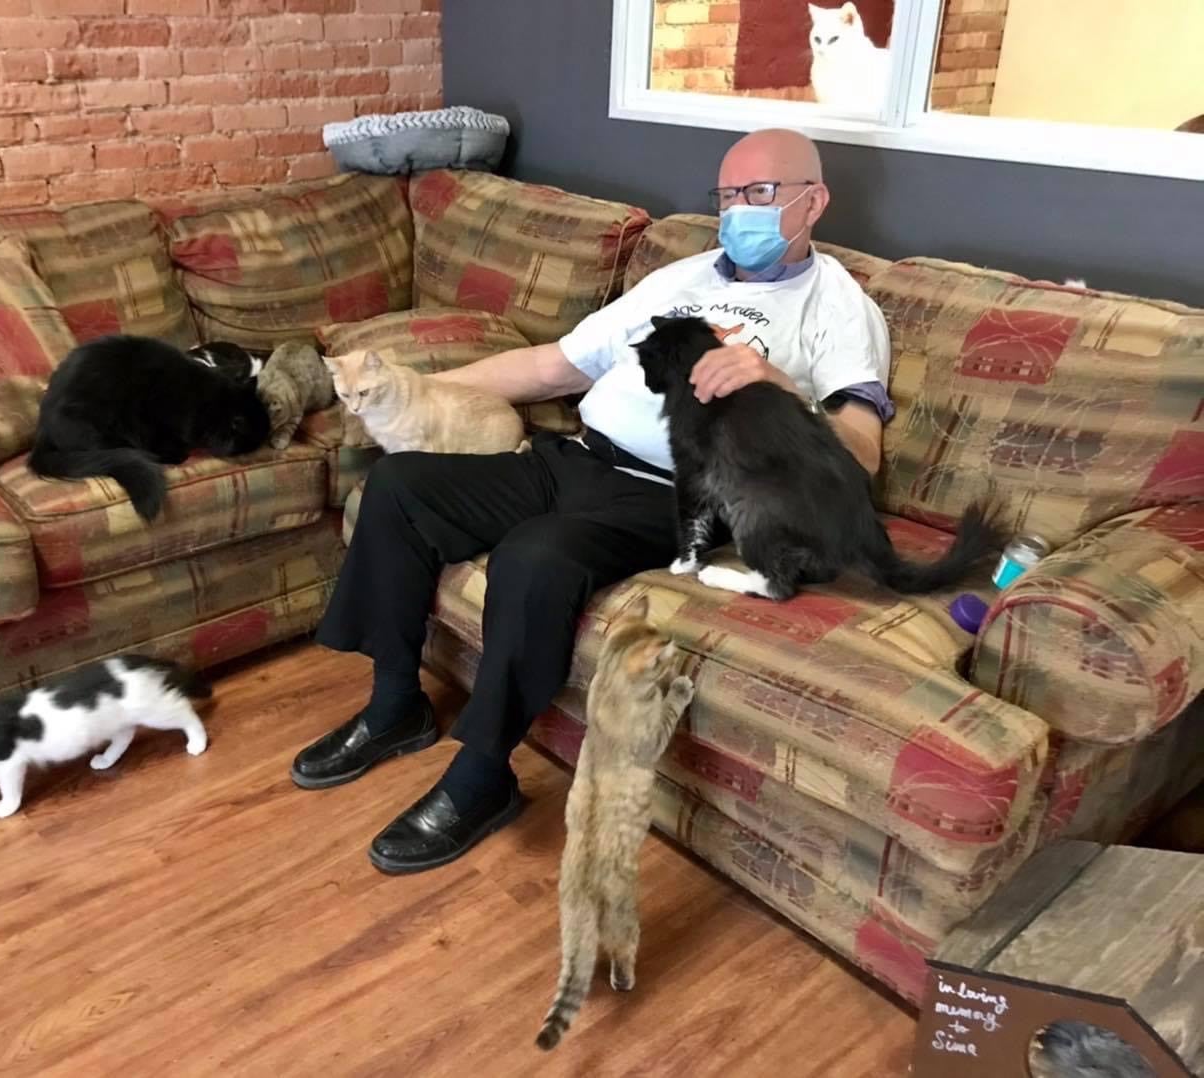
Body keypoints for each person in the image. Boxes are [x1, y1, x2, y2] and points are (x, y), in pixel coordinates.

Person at [291, 128, 894, 874]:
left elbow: (861, 451)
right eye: (729, 195)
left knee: (535, 555)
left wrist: (779, 387)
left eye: (761, 193)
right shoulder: (678, 279)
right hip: (575, 458)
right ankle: (394, 706)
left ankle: (482, 776)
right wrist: (414, 394)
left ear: (814, 200)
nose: (740, 210)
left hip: (670, 497)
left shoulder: (838, 307)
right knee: (400, 483)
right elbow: (552, 367)